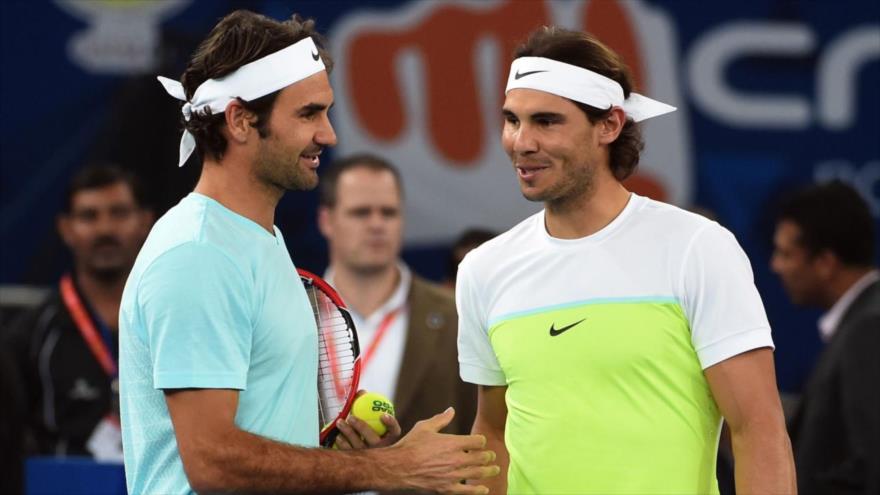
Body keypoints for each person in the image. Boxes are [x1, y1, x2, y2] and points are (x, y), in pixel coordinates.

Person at [120, 10, 497, 495]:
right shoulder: (199, 254)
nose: (329, 134)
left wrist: (330, 457)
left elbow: (252, 444)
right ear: (240, 120)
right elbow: (214, 463)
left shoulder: (260, 240)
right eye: (308, 113)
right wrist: (390, 470)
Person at [456, 26, 796, 494]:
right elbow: (493, 431)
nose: (521, 141)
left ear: (609, 125)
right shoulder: (483, 269)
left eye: (547, 121)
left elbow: (758, 431)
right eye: (512, 120)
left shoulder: (698, 247)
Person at [317, 154, 476, 448]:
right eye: (361, 212)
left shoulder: (458, 316)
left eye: (388, 212)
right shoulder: (295, 312)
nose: (377, 224)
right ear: (327, 220)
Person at [3, 164, 153, 460]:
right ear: (66, 229)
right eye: (89, 216)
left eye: (119, 213)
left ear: (146, 222)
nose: (105, 229)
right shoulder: (31, 336)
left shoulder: (179, 322)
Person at [771, 180, 879, 494]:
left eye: (786, 254)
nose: (775, 266)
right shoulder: (861, 322)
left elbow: (872, 462)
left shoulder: (869, 329)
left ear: (825, 263)